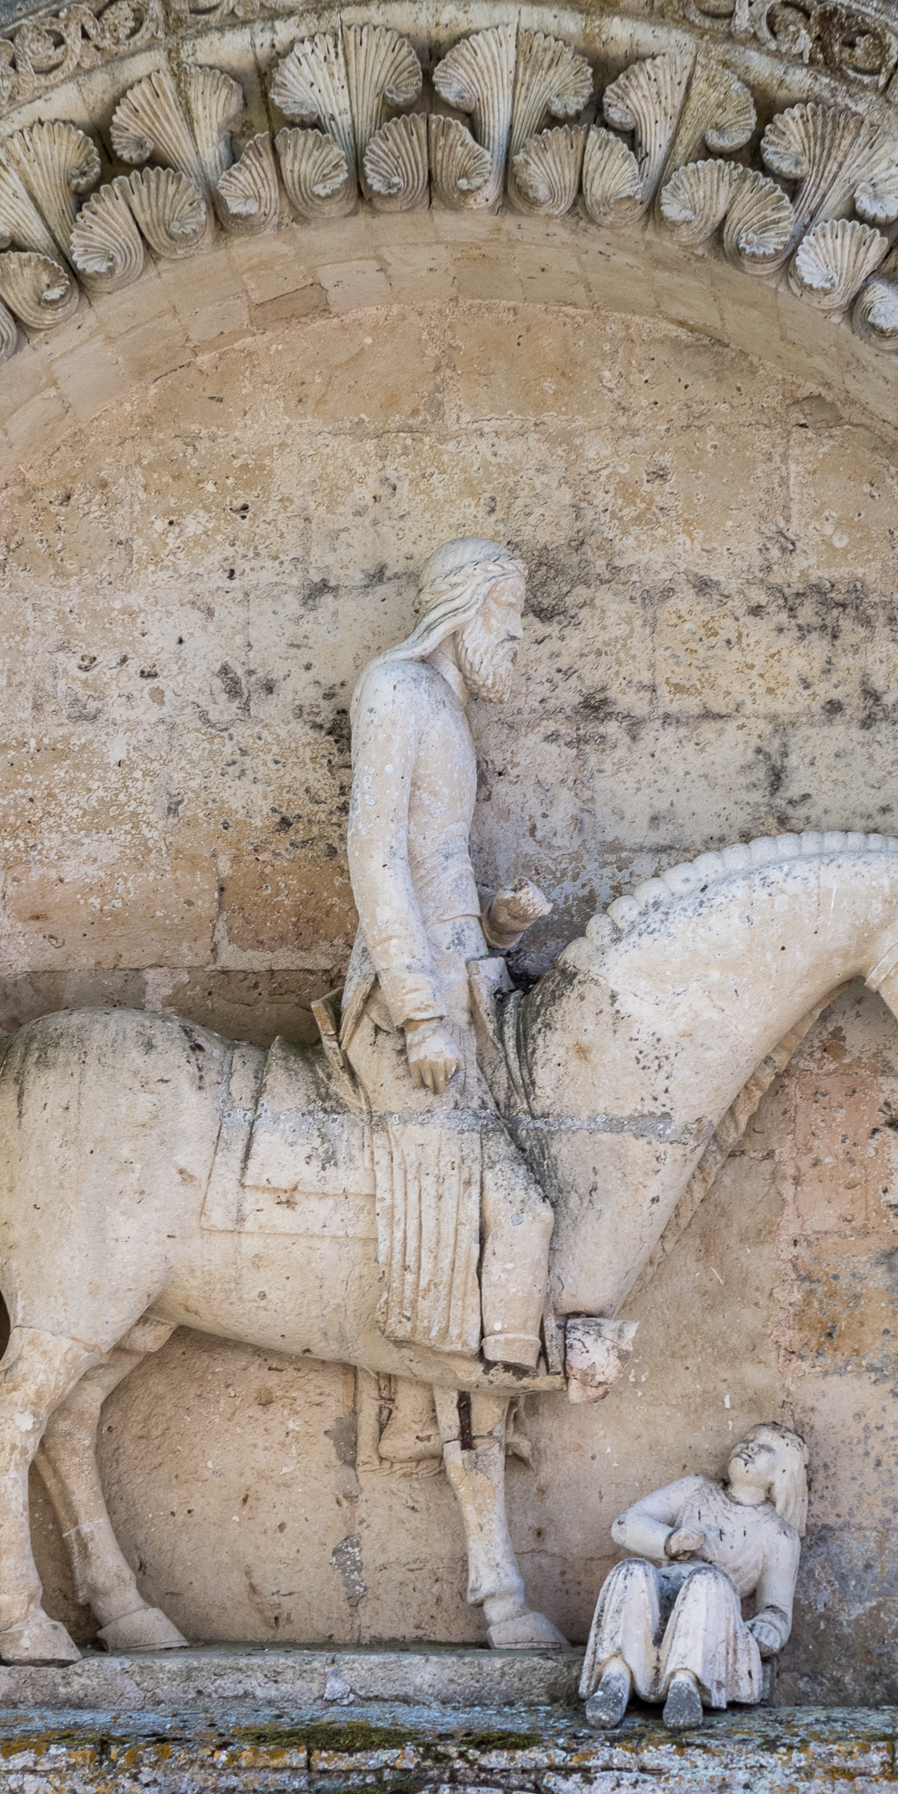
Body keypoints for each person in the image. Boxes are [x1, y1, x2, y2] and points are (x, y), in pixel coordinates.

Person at [336, 536, 555, 1369]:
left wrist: (494, 925)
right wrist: (418, 1009)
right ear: (463, 609)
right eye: (511, 612)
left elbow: (434, 866)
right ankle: (456, 1375)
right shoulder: (398, 689)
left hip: (468, 986)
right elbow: (377, 850)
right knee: (493, 1201)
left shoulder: (447, 709)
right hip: (414, 1002)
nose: (521, 633)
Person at [581, 1424, 809, 1730]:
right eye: (748, 1439)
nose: (750, 1446)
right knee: (630, 1571)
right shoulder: (696, 1489)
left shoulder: (779, 1535)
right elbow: (625, 1524)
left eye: (765, 1447)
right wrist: (670, 1541)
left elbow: (776, 1610)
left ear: (782, 1474)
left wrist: (769, 1629)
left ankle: (686, 1682)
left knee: (707, 1581)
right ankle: (615, 1676)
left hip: (713, 1610)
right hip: (666, 1588)